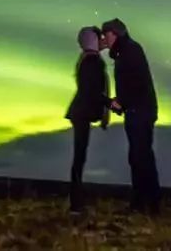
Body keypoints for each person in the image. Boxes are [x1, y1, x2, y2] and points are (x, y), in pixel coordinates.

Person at [101, 18, 161, 215]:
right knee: (139, 156)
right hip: (139, 109)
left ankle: (146, 205)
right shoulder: (126, 51)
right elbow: (132, 83)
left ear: (115, 34)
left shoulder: (129, 51)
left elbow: (136, 83)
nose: (104, 38)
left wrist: (122, 101)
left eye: (106, 34)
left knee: (140, 157)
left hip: (140, 111)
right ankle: (146, 203)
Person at [64, 26, 113, 214]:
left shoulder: (88, 60)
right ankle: (76, 205)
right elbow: (93, 91)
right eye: (99, 38)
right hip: (82, 113)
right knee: (79, 158)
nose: (103, 41)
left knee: (79, 158)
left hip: (81, 113)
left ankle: (76, 202)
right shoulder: (92, 61)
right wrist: (110, 104)